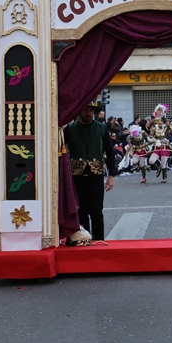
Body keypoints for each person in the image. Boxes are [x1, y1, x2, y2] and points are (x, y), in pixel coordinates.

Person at [63, 101, 116, 241]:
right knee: (81, 211)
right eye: (86, 110)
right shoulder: (70, 129)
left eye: (91, 111)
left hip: (96, 175)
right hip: (77, 176)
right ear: (80, 111)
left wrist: (111, 176)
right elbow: (60, 150)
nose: (89, 113)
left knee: (96, 211)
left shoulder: (101, 128)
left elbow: (110, 152)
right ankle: (83, 240)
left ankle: (99, 240)